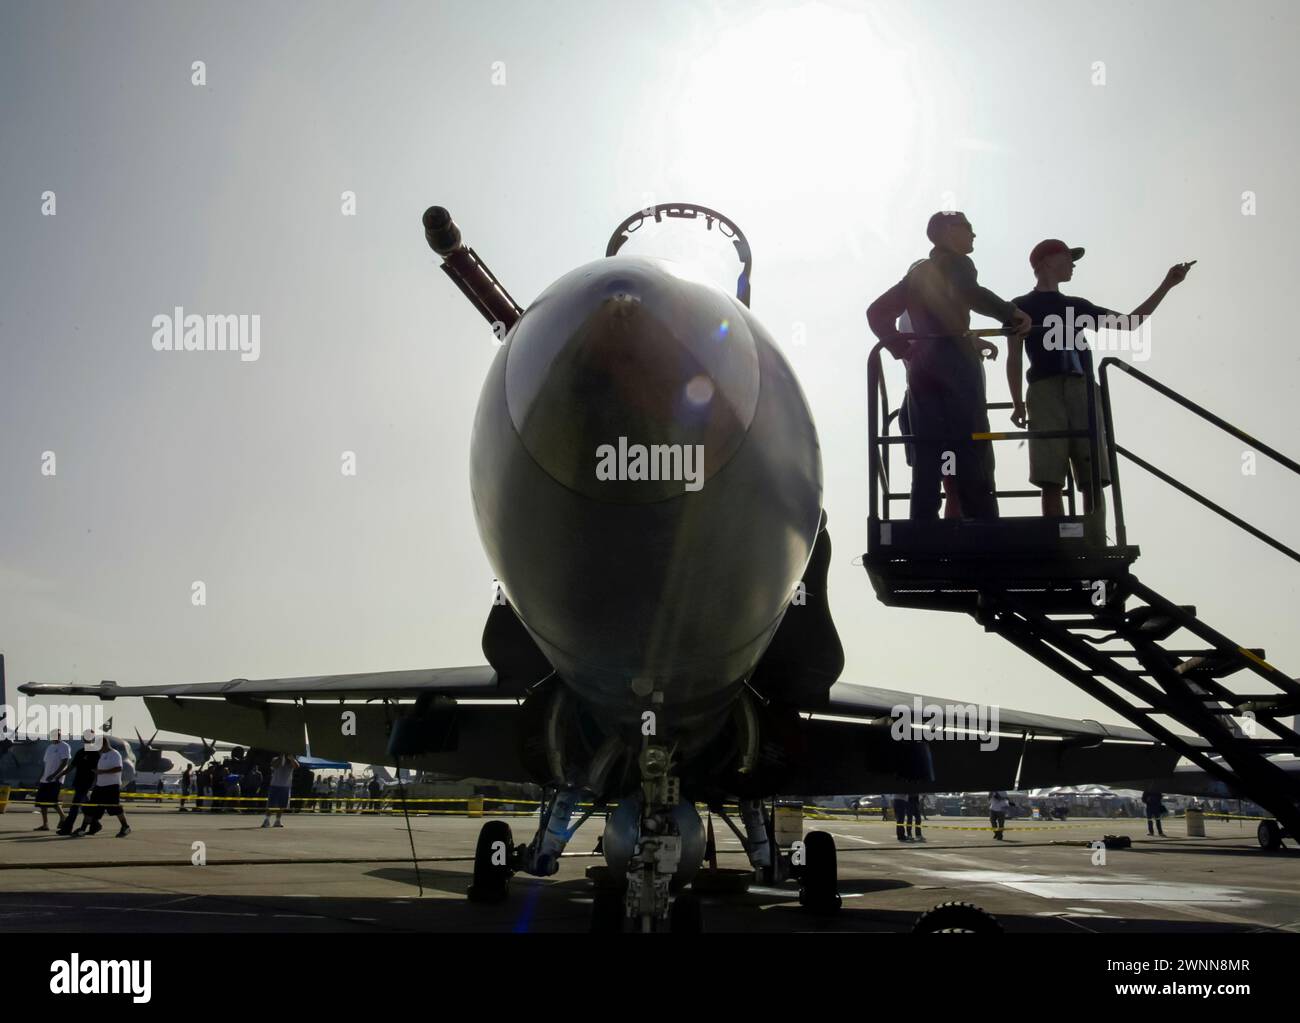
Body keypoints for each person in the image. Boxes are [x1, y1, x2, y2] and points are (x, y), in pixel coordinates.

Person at [1007, 240, 1194, 516]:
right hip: (1043, 390)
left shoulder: (1077, 306)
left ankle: (1094, 538)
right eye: (1067, 257)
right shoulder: (1019, 306)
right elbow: (1014, 356)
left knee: (1093, 473)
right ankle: (1055, 540)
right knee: (1050, 476)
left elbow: (1130, 323)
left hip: (1082, 388)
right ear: (1046, 261)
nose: (1072, 264)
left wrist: (1167, 284)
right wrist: (1017, 403)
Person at [868, 211, 1031, 520]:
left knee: (929, 454)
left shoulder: (917, 274)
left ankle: (923, 530)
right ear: (946, 232)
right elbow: (969, 293)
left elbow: (876, 312)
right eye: (967, 227)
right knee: (972, 448)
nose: (973, 234)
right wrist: (1012, 313)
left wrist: (906, 349)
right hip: (957, 367)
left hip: (922, 372)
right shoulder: (958, 263)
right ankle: (982, 530)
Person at [56, 731, 101, 837]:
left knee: (75, 806)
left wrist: (95, 784)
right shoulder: (80, 752)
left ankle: (67, 828)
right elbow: (72, 766)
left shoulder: (95, 753)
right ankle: (95, 824)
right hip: (78, 782)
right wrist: (59, 775)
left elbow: (97, 770)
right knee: (85, 806)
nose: (87, 739)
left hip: (87, 783)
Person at [84, 739, 131, 837]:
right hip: (100, 786)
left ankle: (125, 826)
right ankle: (84, 828)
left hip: (112, 786)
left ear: (104, 744)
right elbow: (99, 771)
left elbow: (119, 768)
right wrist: (94, 783)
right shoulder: (102, 755)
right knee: (92, 807)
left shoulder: (115, 754)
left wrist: (103, 772)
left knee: (115, 808)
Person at [34, 730, 70, 831]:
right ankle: (45, 824)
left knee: (53, 801)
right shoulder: (49, 747)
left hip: (56, 779)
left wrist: (55, 775)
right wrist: (40, 778)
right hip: (45, 779)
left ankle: (63, 817)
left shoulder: (64, 746)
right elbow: (45, 765)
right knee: (41, 803)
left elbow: (65, 762)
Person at [262, 754, 298, 828]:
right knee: (271, 804)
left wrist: (291, 759)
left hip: (285, 786)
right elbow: (273, 765)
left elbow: (297, 766)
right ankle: (266, 820)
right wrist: (281, 758)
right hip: (275, 785)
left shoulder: (291, 761)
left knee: (282, 805)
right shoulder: (275, 759)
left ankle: (277, 821)